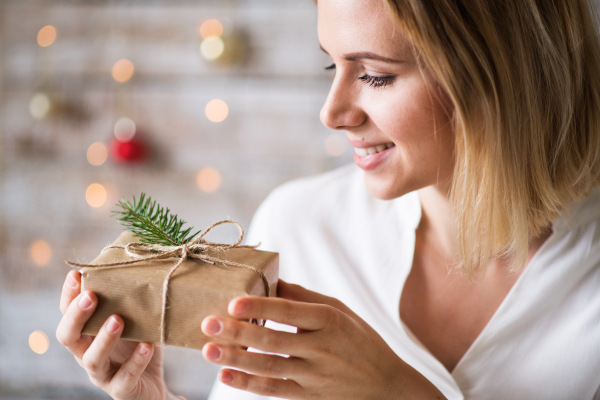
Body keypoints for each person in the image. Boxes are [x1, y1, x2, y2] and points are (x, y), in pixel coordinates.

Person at [56, 0, 600, 398]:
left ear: (498, 75)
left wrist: (403, 393)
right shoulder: (299, 225)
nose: (333, 112)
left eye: (375, 76)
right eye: (331, 66)